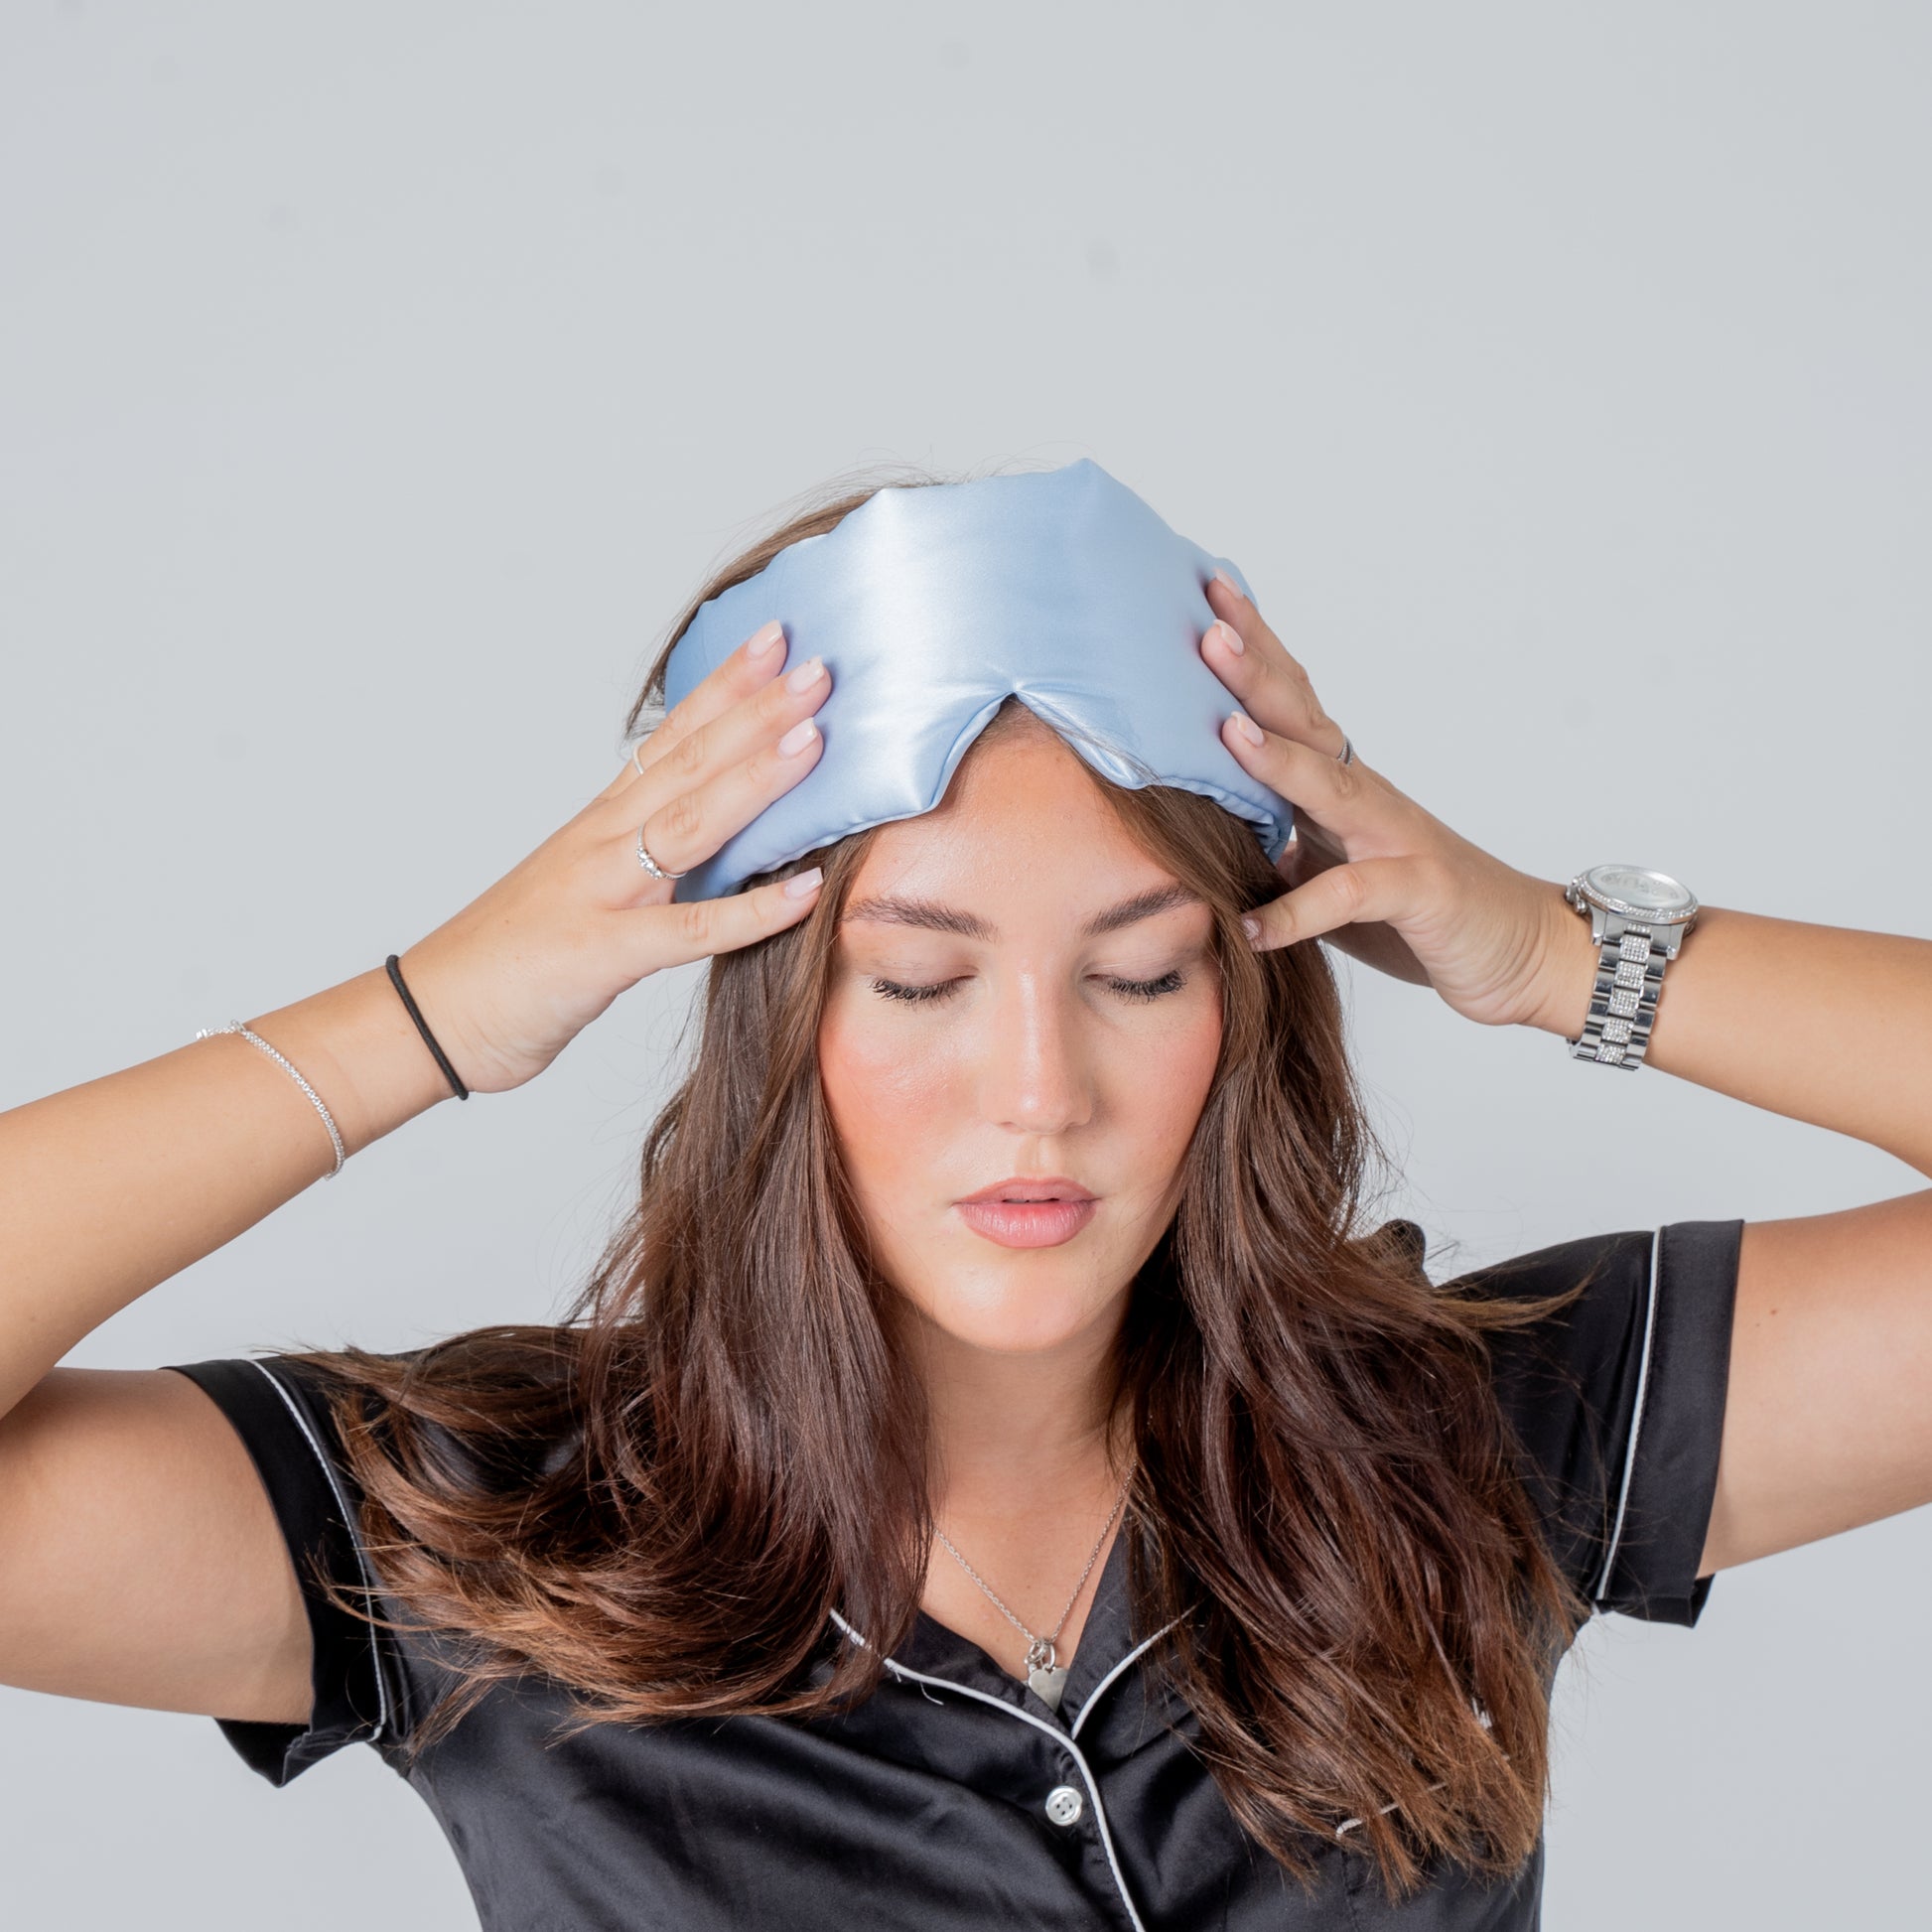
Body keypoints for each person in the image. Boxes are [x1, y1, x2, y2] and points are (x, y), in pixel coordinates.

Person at [2, 459, 1928, 1931]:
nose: (1038, 1093)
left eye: (1139, 972)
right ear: (778, 1020)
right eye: (920, 979)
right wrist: (427, 1015)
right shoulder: (496, 1532)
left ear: (1240, 998)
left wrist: (1552, 953)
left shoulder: (1457, 1442)